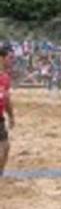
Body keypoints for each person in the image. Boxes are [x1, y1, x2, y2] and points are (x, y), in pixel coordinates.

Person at [0, 47, 15, 176]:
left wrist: (11, 117)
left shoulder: (5, 78)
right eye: (9, 57)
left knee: (5, 147)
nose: (11, 60)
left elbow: (7, 100)